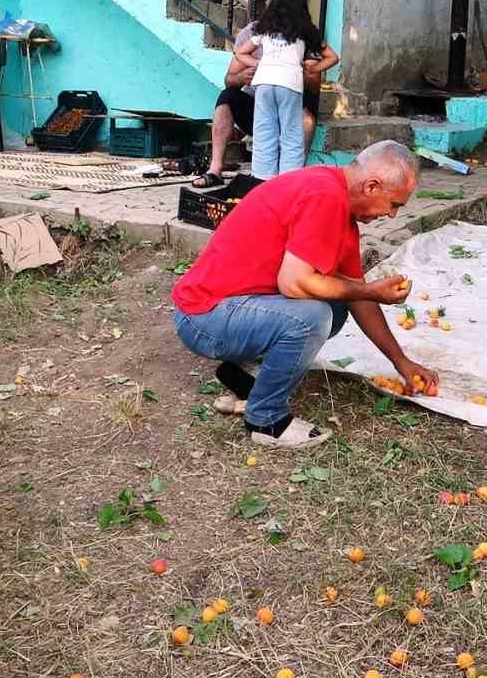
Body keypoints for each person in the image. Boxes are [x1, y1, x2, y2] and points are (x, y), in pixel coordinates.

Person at [172, 140, 439, 449]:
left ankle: (246, 377)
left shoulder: (335, 199)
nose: (392, 216)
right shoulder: (324, 197)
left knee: (336, 306)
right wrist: (368, 290)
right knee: (313, 317)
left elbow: (357, 296)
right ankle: (266, 420)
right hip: (204, 316)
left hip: (229, 308)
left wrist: (401, 361)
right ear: (372, 186)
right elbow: (294, 283)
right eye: (394, 205)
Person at [201, 0, 332, 185]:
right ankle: (218, 169)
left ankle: (264, 179)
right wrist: (245, 73)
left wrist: (309, 69)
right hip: (275, 93)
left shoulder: (269, 31)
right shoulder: (267, 30)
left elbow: (313, 86)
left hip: (273, 91)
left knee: (270, 134)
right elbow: (230, 79)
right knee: (288, 134)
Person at [233, 0, 339, 181]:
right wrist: (313, 68)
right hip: (289, 85)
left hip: (264, 84)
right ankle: (288, 182)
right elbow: (333, 57)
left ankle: (262, 180)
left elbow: (239, 52)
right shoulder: (305, 31)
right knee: (291, 134)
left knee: (264, 132)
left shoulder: (264, 29)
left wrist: (260, 63)